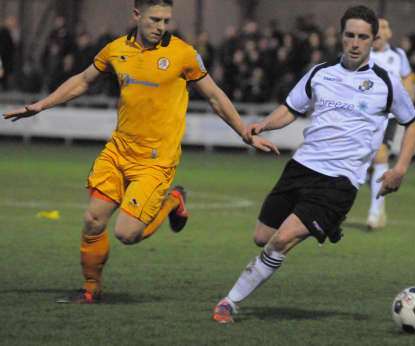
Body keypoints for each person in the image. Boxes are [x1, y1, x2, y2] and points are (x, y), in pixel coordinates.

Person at [3, 0, 278, 304]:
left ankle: (173, 201)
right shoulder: (115, 49)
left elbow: (214, 96)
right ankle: (91, 290)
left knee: (127, 234)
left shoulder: (183, 54)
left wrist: (244, 133)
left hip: (155, 161)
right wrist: (40, 106)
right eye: (155, 19)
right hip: (118, 151)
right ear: (137, 15)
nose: (161, 27)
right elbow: (82, 81)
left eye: (166, 20)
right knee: (93, 220)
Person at [212, 5, 415, 324]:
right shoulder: (320, 72)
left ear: (373, 40)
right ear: (340, 36)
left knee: (281, 240)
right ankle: (328, 225)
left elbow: (413, 124)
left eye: (362, 37)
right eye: (349, 35)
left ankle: (230, 301)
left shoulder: (387, 82)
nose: (354, 43)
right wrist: (263, 125)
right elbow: (290, 108)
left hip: (339, 181)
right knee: (262, 236)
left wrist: (400, 168)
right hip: (301, 167)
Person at [367, 17, 415, 229]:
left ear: (389, 33)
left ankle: (375, 213)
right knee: (366, 165)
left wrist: (408, 103)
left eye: (385, 26)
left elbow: (408, 79)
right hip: (364, 116)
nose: (380, 30)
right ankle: (377, 202)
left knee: (380, 156)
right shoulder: (362, 54)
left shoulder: (398, 55)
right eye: (376, 27)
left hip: (388, 116)